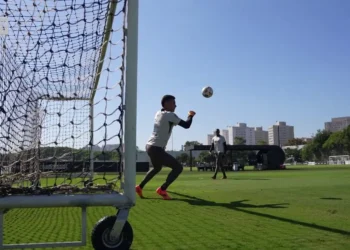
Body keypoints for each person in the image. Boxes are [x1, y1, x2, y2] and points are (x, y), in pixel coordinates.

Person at [135, 95, 196, 200]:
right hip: (156, 148)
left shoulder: (158, 113)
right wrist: (190, 115)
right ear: (166, 103)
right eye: (173, 103)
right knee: (178, 168)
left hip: (150, 145)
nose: (175, 105)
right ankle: (162, 189)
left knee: (157, 168)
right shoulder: (170, 115)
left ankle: (140, 187)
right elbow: (186, 125)